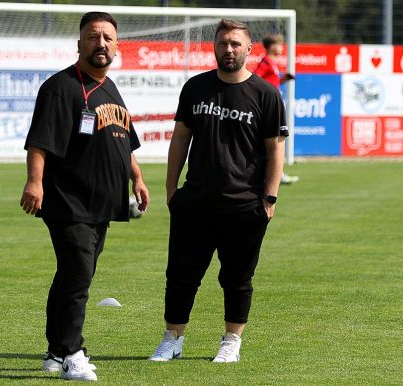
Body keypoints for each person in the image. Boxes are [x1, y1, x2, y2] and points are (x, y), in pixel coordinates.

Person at [19, 12, 149, 382]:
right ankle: (74, 352)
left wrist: (137, 178)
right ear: (80, 44)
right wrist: (34, 183)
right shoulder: (61, 87)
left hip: (102, 205)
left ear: (117, 46)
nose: (101, 44)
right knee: (78, 275)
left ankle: (56, 350)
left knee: (72, 276)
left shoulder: (110, 89)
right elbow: (40, 141)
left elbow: (125, 141)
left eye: (108, 38)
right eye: (94, 37)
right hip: (68, 200)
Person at [149, 19, 287, 363]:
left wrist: (269, 198)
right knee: (181, 276)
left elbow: (275, 149)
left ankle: (231, 340)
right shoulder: (195, 88)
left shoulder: (266, 94)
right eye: (223, 43)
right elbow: (180, 138)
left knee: (238, 278)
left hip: (244, 205)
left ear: (249, 49)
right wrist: (171, 189)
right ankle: (172, 339)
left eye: (236, 44)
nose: (229, 49)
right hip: (194, 202)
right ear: (214, 46)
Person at [254, 34, 298, 185]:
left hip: (273, 104)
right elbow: (255, 80)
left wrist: (282, 80)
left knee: (277, 139)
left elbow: (269, 83)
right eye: (279, 44)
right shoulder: (265, 62)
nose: (282, 47)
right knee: (275, 139)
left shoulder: (272, 63)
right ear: (272, 46)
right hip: (267, 106)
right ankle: (275, 175)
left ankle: (278, 174)